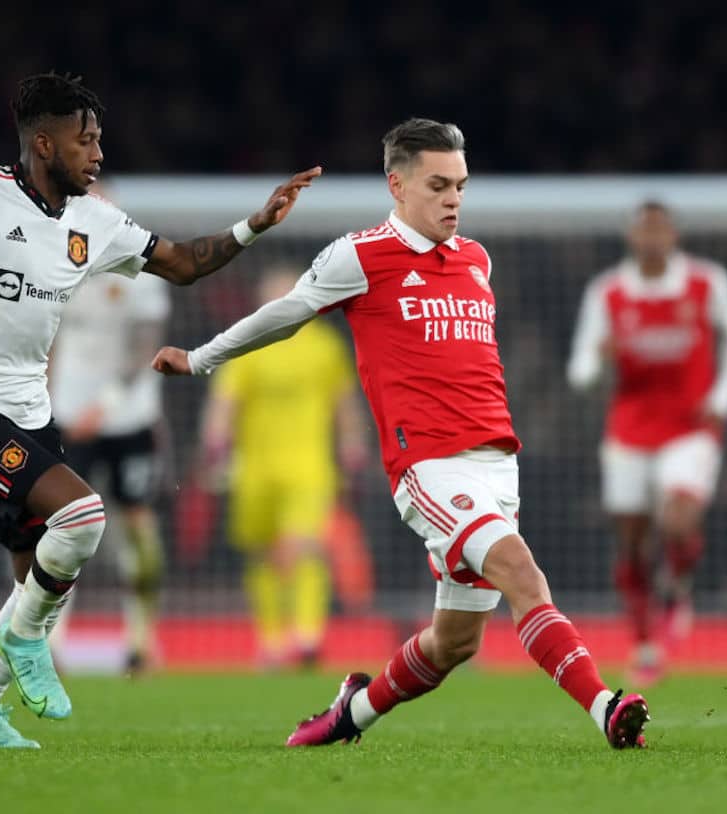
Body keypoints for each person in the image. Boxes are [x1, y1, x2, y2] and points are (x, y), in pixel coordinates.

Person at [0, 72, 320, 749]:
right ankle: (24, 644)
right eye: (86, 140)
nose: (99, 153)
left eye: (100, 139)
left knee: (36, 573)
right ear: (45, 144)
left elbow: (182, 264)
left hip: (29, 409)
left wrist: (255, 225)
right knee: (83, 516)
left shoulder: (95, 221)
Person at [152, 118, 650, 749]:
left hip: (498, 463)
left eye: (461, 186)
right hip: (430, 468)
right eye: (439, 185)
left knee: (453, 644)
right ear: (398, 185)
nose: (453, 200)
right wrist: (199, 359)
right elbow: (283, 316)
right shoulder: (358, 256)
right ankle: (606, 707)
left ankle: (349, 714)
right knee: (523, 574)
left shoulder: (476, 259)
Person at [566, 201, 727, 686]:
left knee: (677, 518)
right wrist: (599, 361)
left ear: (673, 235)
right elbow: (580, 373)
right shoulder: (607, 292)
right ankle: (644, 640)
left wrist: (724, 396)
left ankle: (677, 591)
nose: (652, 238)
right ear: (632, 237)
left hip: (689, 426)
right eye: (644, 230)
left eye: (660, 229)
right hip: (629, 431)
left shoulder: (704, 282)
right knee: (631, 543)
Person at [198, 265, 368, 669]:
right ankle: (272, 641)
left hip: (309, 466)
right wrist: (215, 443)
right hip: (254, 469)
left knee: (305, 545)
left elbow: (344, 402)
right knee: (261, 553)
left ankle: (307, 636)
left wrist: (351, 444)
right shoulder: (248, 343)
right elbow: (226, 401)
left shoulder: (324, 346)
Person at [48, 266, 171, 675]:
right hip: (68, 417)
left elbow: (146, 344)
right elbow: (44, 340)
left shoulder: (142, 275)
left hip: (129, 420)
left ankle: (141, 641)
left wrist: (108, 403)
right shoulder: (54, 264)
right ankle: (49, 641)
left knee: (137, 526)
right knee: (59, 523)